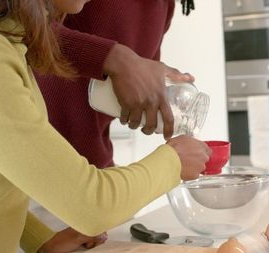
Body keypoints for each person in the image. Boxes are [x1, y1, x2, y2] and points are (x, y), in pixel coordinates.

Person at [0, 0, 210, 253]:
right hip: (66, 186)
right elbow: (92, 205)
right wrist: (174, 161)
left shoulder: (0, 40)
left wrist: (39, 240)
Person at [36, 0, 196, 169]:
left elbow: (129, 90)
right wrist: (113, 58)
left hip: (87, 165)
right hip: (30, 154)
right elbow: (21, 29)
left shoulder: (165, 7)